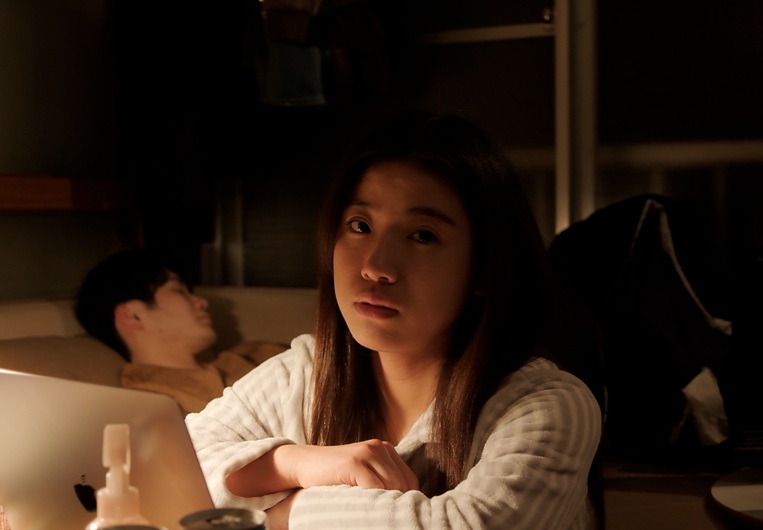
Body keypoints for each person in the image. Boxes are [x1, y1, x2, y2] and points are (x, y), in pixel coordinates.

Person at [184, 110, 602, 529]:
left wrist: (280, 516)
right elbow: (176, 464)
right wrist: (296, 463)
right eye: (360, 225)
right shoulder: (306, 374)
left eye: (422, 235)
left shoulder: (548, 404)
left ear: (485, 268)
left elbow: (464, 525)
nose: (376, 267)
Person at [74, 248, 285, 414]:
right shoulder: (148, 404)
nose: (202, 302)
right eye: (179, 291)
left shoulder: (250, 354)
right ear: (132, 315)